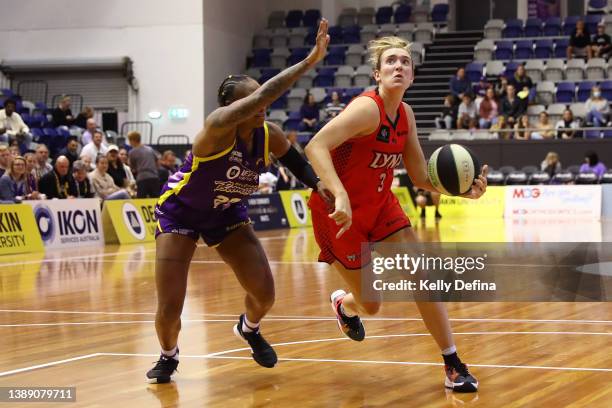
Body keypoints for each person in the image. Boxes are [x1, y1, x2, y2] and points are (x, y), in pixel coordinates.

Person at [145, 19, 332, 384]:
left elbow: (293, 158)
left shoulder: (269, 134)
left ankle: (249, 328)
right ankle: (169, 355)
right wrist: (310, 60)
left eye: (259, 96)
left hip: (226, 212)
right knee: (170, 306)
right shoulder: (216, 129)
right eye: (251, 98)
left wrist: (315, 184)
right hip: (180, 212)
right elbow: (264, 98)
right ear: (231, 106)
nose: (261, 103)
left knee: (264, 293)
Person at [305, 36, 487, 393]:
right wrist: (339, 192)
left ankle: (452, 363)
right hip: (338, 213)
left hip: (382, 205)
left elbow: (419, 176)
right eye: (390, 62)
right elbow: (316, 146)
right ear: (377, 74)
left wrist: (462, 191)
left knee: (423, 275)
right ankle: (344, 304)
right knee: (371, 305)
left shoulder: (405, 114)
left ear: (413, 76)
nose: (398, 66)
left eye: (405, 61)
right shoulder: (366, 109)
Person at [128, 131, 162, 198]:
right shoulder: (150, 149)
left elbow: (132, 167)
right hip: (154, 177)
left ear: (132, 140)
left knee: (141, 200)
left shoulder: (132, 152)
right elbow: (158, 161)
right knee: (155, 199)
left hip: (142, 178)